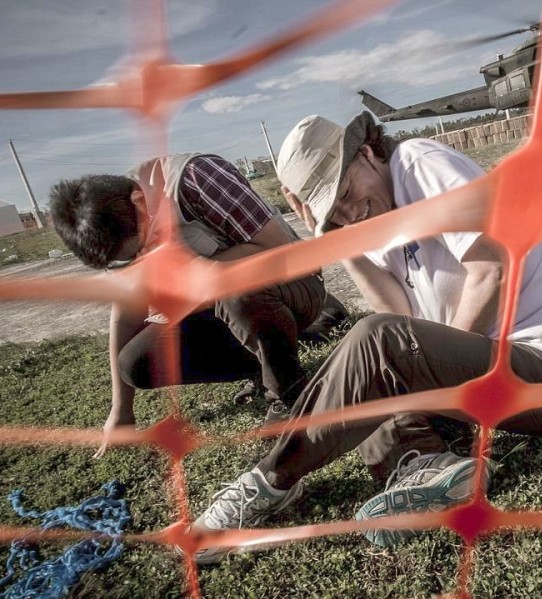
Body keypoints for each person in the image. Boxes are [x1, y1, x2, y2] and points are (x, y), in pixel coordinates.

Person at [188, 112, 542, 563]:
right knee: (373, 370)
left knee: (377, 346)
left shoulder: (417, 163)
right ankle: (426, 465)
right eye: (336, 211)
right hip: (500, 369)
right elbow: (401, 316)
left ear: (368, 154)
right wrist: (340, 240)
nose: (353, 212)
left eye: (347, 193)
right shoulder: (370, 221)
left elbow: (492, 270)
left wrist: (426, 376)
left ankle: (269, 482)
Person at [49, 153, 344, 456]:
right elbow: (126, 315)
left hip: (291, 281)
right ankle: (275, 350)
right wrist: (121, 411)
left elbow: (278, 250)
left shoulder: (196, 178)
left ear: (139, 202)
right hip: (219, 304)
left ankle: (290, 394)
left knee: (234, 292)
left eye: (132, 252)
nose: (133, 261)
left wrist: (193, 269)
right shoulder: (118, 216)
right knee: (135, 364)